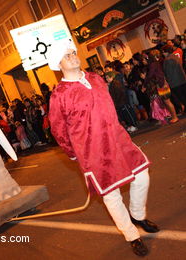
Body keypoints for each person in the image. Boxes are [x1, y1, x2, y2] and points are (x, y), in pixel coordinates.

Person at [47, 40, 159, 257]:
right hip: (93, 151)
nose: (73, 56)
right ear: (58, 63)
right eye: (67, 55)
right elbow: (58, 130)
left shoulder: (95, 78)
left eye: (73, 52)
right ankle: (131, 234)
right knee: (111, 194)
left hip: (118, 139)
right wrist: (73, 154)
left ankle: (137, 215)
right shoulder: (59, 95)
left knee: (142, 175)